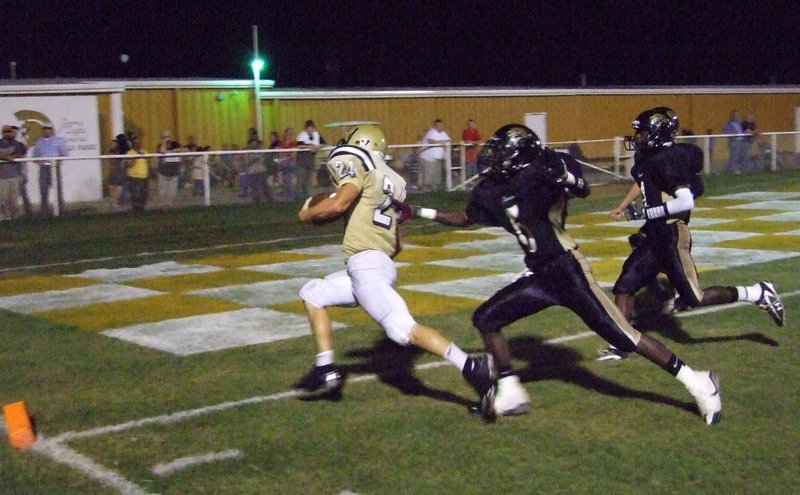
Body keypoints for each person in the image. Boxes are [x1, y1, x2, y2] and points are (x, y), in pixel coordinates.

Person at [392, 123, 723, 425]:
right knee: (486, 318)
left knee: (623, 336)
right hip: (540, 276)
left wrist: (562, 176)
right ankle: (511, 391)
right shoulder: (492, 189)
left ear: (520, 157)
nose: (493, 159)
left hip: (568, 270)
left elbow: (580, 188)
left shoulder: (542, 173)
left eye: (502, 153)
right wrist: (419, 211)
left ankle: (698, 381)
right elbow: (466, 217)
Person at [294, 123, 496, 419]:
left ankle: (470, 366)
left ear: (359, 143)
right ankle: (325, 369)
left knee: (401, 329)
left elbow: (340, 202)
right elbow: (397, 244)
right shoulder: (394, 180)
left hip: (366, 267)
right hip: (379, 265)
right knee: (313, 293)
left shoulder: (352, 158)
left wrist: (308, 214)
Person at [598, 107, 784, 361]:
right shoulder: (650, 159)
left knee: (694, 298)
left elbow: (685, 201)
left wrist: (646, 213)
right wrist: (623, 206)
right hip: (655, 234)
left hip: (672, 233)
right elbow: (643, 182)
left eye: (641, 132)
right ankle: (622, 343)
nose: (637, 137)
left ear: (655, 132)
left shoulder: (667, 159)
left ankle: (757, 292)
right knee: (624, 286)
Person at [30, 123, 69, 216]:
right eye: (44, 129)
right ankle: (44, 211)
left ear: (51, 130)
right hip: (44, 168)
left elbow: (64, 153)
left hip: (54, 167)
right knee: (43, 190)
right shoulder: (39, 142)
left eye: (48, 129)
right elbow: (34, 157)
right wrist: (39, 163)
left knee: (58, 189)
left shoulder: (58, 141)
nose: (46, 130)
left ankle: (61, 211)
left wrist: (58, 163)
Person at [0, 125, 26, 220]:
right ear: (2, 133)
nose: (8, 133)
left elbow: (20, 154)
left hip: (15, 175)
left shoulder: (17, 144)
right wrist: (6, 157)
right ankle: (5, 217)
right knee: (3, 199)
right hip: (2, 176)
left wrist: (8, 156)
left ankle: (15, 217)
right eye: (6, 132)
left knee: (14, 199)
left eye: (9, 131)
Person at [296, 120, 326, 198]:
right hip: (302, 158)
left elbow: (324, 144)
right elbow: (299, 146)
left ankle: (307, 194)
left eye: (311, 128)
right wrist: (310, 146)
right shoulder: (302, 135)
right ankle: (299, 195)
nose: (310, 130)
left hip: (311, 158)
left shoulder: (317, 134)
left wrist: (317, 147)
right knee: (301, 177)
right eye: (308, 128)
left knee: (309, 178)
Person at [418, 119, 450, 192]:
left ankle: (434, 189)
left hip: (437, 159)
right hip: (428, 158)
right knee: (428, 174)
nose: (439, 127)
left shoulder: (443, 133)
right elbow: (430, 141)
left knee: (436, 175)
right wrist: (441, 142)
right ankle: (426, 189)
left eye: (441, 125)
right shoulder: (431, 132)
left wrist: (442, 142)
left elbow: (448, 141)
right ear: (435, 126)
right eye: (438, 125)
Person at [155, 130, 183, 211]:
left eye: (168, 136)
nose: (167, 138)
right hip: (163, 173)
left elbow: (184, 150)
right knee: (162, 192)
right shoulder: (160, 145)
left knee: (172, 192)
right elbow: (162, 151)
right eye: (164, 137)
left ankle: (168, 205)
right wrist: (164, 142)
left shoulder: (176, 144)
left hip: (174, 173)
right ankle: (162, 206)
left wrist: (175, 150)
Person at [125, 135, 151, 212]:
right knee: (135, 193)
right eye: (135, 143)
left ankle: (142, 207)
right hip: (134, 176)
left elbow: (149, 161)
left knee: (144, 193)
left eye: (138, 143)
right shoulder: (130, 153)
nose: (137, 144)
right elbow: (129, 164)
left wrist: (143, 155)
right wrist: (136, 157)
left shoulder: (144, 151)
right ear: (133, 144)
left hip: (144, 176)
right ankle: (136, 208)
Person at [277, 127, 298, 200]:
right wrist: (283, 159)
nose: (289, 135)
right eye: (288, 133)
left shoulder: (294, 143)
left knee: (291, 180)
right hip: (284, 163)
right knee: (285, 180)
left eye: (291, 133)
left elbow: (294, 153)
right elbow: (280, 152)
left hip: (291, 163)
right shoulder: (281, 143)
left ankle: (291, 197)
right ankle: (286, 197)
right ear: (285, 133)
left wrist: (287, 158)